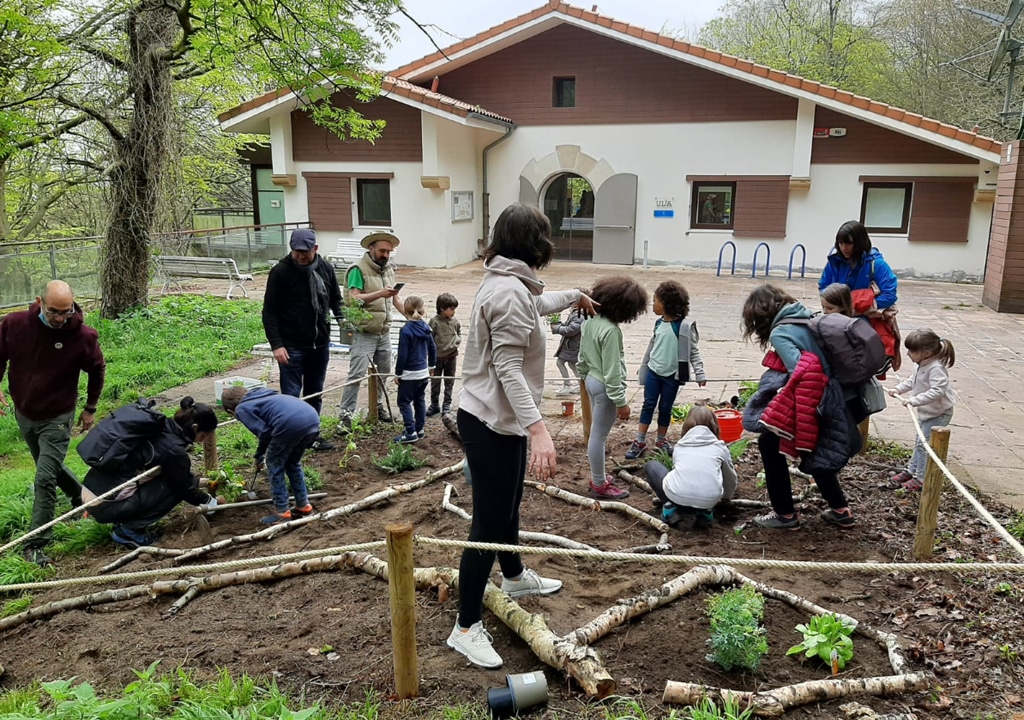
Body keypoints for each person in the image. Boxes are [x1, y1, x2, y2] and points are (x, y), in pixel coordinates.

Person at [449, 202, 596, 670]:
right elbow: (508, 366)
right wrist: (540, 430)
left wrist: (574, 295)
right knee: (487, 524)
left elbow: (537, 304)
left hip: (501, 417)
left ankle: (512, 576)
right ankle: (466, 626)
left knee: (508, 504)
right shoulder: (509, 290)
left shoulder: (509, 281)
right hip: (493, 419)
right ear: (537, 243)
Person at [0, 280, 105, 566]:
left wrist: (90, 408)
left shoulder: (83, 336)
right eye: (54, 312)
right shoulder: (14, 324)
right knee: (51, 467)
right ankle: (84, 498)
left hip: (57, 416)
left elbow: (97, 369)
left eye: (66, 311)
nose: (60, 318)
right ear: (39, 302)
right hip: (25, 412)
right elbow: (1, 356)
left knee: (44, 478)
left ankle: (36, 543)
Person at [740, 284, 860, 531]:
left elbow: (800, 372)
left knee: (769, 443)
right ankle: (840, 510)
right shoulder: (804, 316)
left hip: (815, 398)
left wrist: (779, 399)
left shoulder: (780, 332)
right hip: (835, 394)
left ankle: (784, 515)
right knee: (814, 449)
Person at [83, 398, 221, 548]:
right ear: (195, 428)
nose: (203, 441)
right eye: (203, 436)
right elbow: (183, 487)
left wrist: (202, 481)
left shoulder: (160, 427)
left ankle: (124, 520)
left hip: (92, 492)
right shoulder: (174, 450)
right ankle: (129, 531)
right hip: (106, 505)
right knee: (175, 489)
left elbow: (177, 474)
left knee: (172, 480)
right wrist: (210, 502)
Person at [262, 227, 342, 451]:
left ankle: (311, 436)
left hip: (320, 344)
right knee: (290, 396)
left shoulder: (325, 268)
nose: (300, 256)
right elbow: (269, 312)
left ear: (315, 249)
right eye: (296, 252)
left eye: (304, 253)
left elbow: (335, 299)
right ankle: (290, 438)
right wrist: (277, 345)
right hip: (291, 346)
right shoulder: (280, 272)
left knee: (314, 393)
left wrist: (344, 321)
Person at [577, 275, 648, 499]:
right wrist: (621, 402)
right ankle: (599, 483)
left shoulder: (589, 321)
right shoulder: (611, 331)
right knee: (598, 436)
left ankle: (599, 477)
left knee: (596, 435)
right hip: (605, 387)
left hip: (591, 380)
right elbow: (612, 371)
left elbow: (582, 356)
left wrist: (582, 375)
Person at [627, 280, 707, 460]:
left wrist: (700, 373)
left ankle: (661, 440)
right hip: (654, 372)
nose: (653, 304)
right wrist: (644, 367)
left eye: (655, 300)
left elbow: (693, 351)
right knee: (648, 404)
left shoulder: (683, 327)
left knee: (665, 407)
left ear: (666, 304)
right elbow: (652, 347)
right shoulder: (658, 324)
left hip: (672, 376)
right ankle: (639, 441)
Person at [221, 386, 319, 525]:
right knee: (292, 463)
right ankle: (304, 506)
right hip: (312, 419)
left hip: (289, 425)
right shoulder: (262, 395)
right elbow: (268, 431)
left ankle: (282, 512)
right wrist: (259, 455)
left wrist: (261, 455)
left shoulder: (241, 408)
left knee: (274, 465)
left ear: (231, 411)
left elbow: (265, 433)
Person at [340, 232, 404, 425]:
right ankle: (346, 416)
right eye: (382, 250)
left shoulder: (388, 270)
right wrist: (379, 294)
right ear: (371, 248)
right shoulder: (358, 270)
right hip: (364, 332)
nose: (385, 255)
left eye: (389, 252)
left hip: (383, 332)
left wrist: (411, 315)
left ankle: (376, 409)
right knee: (356, 374)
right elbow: (353, 299)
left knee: (383, 372)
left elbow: (394, 298)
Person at [820, 220, 900, 369]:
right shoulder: (834, 263)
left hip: (866, 326)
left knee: (864, 368)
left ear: (860, 241)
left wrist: (862, 306)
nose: (844, 248)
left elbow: (890, 295)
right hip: (837, 322)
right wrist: (834, 305)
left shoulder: (877, 264)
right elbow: (824, 287)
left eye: (849, 243)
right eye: (840, 243)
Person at [643, 406, 737, 529]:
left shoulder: (680, 446)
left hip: (678, 496)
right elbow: (730, 478)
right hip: (708, 500)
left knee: (652, 466)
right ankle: (705, 512)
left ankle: (670, 508)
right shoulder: (720, 448)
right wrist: (726, 497)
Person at [888, 329, 956, 491]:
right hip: (927, 411)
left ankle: (921, 478)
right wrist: (898, 389)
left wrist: (914, 400)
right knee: (919, 442)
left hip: (938, 413)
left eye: (912, 351)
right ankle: (912, 470)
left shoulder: (935, 368)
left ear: (927, 352)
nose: (908, 354)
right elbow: (913, 380)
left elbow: (937, 391)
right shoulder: (920, 365)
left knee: (924, 445)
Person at [393, 296, 436, 444]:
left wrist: (398, 373)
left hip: (409, 374)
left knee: (404, 402)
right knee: (420, 400)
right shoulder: (426, 327)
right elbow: (432, 348)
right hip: (423, 372)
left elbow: (403, 354)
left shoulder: (405, 330)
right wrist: (431, 366)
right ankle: (419, 428)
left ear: (405, 311)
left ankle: (410, 431)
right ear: (422, 311)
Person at [427, 293, 461, 417]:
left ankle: (447, 404)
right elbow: (429, 339)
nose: (453, 312)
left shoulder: (455, 322)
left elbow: (458, 333)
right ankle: (434, 404)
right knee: (435, 382)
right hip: (437, 357)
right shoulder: (434, 322)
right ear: (442, 308)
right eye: (451, 309)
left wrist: (457, 342)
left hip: (451, 356)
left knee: (449, 380)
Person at [550, 289, 588, 397]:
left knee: (560, 363)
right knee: (572, 364)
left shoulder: (579, 315)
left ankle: (567, 384)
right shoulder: (577, 313)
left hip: (572, 346)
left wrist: (557, 328)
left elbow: (571, 330)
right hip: (572, 345)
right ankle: (580, 383)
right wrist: (559, 324)